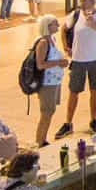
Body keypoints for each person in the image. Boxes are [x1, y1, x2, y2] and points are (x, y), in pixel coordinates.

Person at [55, 0, 96, 138]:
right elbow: (64, 29)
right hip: (78, 60)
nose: (80, 3)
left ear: (92, 2)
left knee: (95, 90)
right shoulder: (75, 15)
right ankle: (68, 123)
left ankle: (93, 120)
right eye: (80, 0)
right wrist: (65, 46)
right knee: (73, 92)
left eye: (84, 0)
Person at [30, 15, 68, 146]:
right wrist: (58, 62)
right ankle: (40, 141)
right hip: (47, 83)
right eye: (55, 24)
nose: (58, 26)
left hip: (54, 81)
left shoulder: (52, 40)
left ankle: (43, 138)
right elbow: (40, 64)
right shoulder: (43, 43)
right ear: (48, 26)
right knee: (46, 112)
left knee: (50, 111)